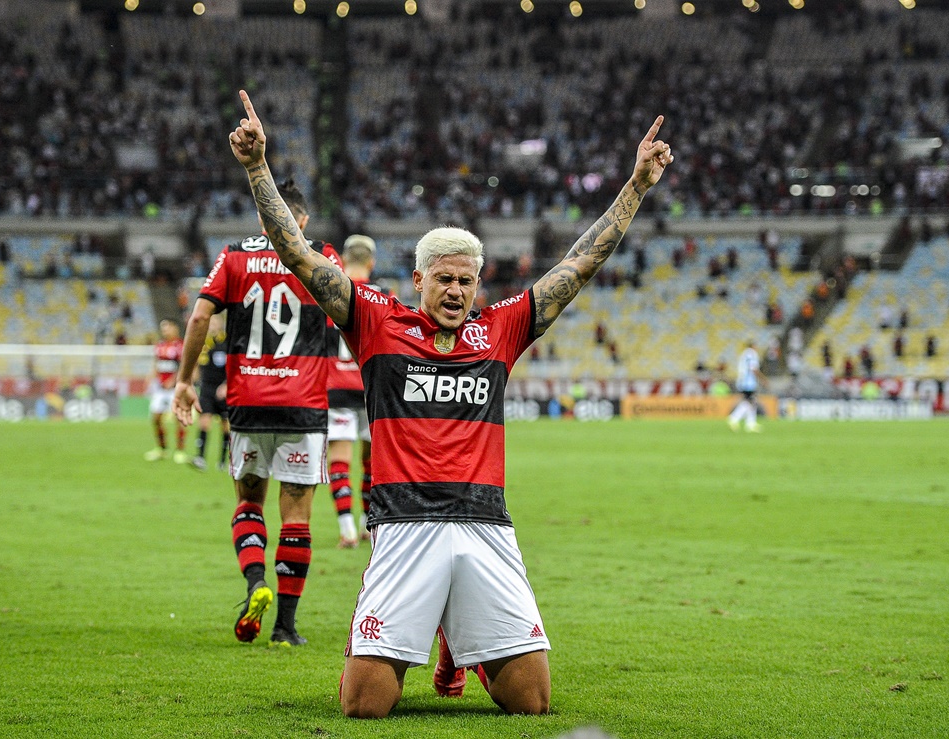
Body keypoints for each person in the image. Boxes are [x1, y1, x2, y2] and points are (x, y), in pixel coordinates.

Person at [222, 90, 672, 717]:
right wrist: (256, 169)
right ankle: (436, 637)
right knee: (365, 707)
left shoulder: (503, 329)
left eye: (466, 280)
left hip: (485, 526)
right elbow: (295, 254)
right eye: (445, 279)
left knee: (532, 703)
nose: (456, 290)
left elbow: (580, 262)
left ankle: (464, 646)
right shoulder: (375, 320)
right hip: (404, 526)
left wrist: (637, 187)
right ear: (420, 280)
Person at [172, 177, 343, 647]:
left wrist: (184, 382)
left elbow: (201, 317)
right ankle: (286, 628)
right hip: (303, 404)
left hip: (247, 402)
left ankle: (255, 584)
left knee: (249, 503)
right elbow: (347, 317)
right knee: (297, 518)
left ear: (264, 218)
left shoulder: (234, 255)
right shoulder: (322, 255)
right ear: (301, 221)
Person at [325, 234, 380, 548]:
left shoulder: (331, 294)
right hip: (372, 389)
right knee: (372, 464)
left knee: (340, 460)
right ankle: (366, 526)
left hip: (337, 389)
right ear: (371, 263)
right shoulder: (384, 296)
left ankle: (346, 530)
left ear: (342, 262)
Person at [190, 311, 231, 472]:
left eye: (215, 323)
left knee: (225, 426)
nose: (212, 326)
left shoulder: (227, 342)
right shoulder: (203, 343)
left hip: (223, 388)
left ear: (221, 324)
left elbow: (234, 366)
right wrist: (192, 382)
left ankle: (223, 461)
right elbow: (197, 365)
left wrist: (227, 384)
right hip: (206, 388)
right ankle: (200, 458)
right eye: (211, 323)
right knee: (204, 421)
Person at [144, 319, 187, 463]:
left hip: (175, 389)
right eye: (163, 328)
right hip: (160, 389)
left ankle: (180, 451)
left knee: (178, 418)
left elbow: (183, 366)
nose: (165, 331)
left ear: (175, 328)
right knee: (156, 418)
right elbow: (157, 363)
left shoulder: (180, 345)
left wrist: (173, 380)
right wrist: (150, 376)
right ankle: (162, 449)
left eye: (167, 327)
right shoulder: (160, 345)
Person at [727, 340, 764, 432]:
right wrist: (763, 379)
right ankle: (735, 418)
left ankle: (750, 423)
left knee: (751, 402)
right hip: (749, 382)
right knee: (750, 401)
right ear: (753, 346)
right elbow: (753, 369)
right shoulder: (752, 354)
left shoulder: (744, 354)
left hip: (743, 381)